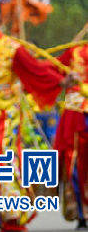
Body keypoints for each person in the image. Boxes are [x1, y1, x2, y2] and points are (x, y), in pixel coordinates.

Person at [0, 2, 73, 231]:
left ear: (0, 21)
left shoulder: (13, 48)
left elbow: (36, 70)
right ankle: (2, 218)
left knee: (1, 158)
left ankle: (16, 218)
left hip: (6, 114)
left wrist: (60, 81)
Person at [53, 39, 88, 227]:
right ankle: (81, 213)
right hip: (76, 116)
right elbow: (53, 70)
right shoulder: (74, 51)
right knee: (74, 163)